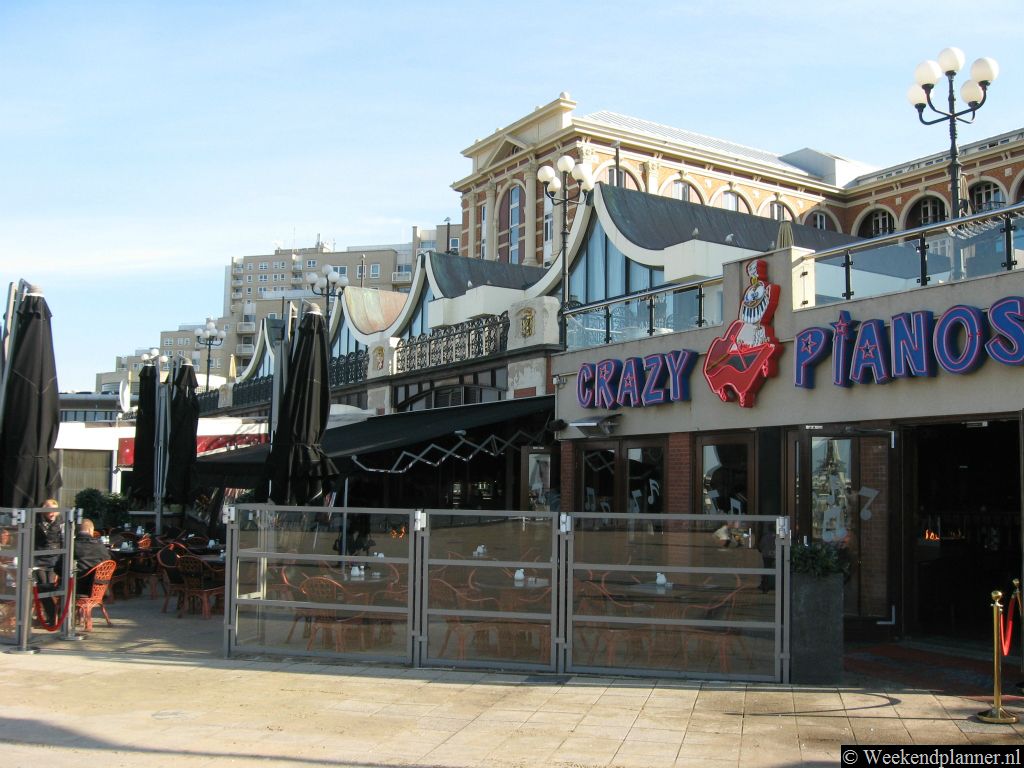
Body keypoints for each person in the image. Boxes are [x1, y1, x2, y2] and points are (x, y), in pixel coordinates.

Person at [33, 499, 63, 624]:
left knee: (46, 588)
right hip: (39, 558)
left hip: (53, 559)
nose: (52, 512)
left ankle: (53, 617)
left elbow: (61, 540)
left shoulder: (59, 523)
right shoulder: (37, 520)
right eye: (50, 509)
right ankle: (53, 616)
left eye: (55, 510)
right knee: (42, 587)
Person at [68, 519, 110, 593]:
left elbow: (59, 568)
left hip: (75, 589)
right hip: (97, 588)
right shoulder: (100, 545)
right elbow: (107, 563)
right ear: (91, 530)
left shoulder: (71, 546)